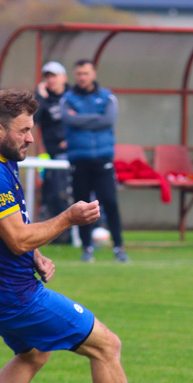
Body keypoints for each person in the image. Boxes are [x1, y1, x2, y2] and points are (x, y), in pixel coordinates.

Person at [0, 89, 187, 383]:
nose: (31, 138)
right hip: (13, 296)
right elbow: (15, 238)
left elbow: (6, 228)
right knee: (106, 345)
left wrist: (36, 254)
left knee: (33, 354)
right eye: (24, 130)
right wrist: (68, 219)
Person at [61, 59, 128, 263]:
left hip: (103, 160)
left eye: (86, 73)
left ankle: (119, 247)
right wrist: (94, 120)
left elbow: (108, 120)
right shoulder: (67, 99)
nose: (82, 77)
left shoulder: (107, 97)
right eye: (79, 73)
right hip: (79, 160)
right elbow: (68, 119)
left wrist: (81, 119)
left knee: (109, 202)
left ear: (94, 74)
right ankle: (86, 248)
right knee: (82, 206)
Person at [34, 61, 72, 237]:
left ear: (64, 78)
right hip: (53, 156)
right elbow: (32, 120)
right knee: (54, 194)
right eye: (47, 77)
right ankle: (62, 236)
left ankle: (91, 231)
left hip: (75, 153)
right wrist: (40, 98)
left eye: (54, 76)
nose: (50, 80)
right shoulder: (44, 99)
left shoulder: (73, 96)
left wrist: (71, 140)